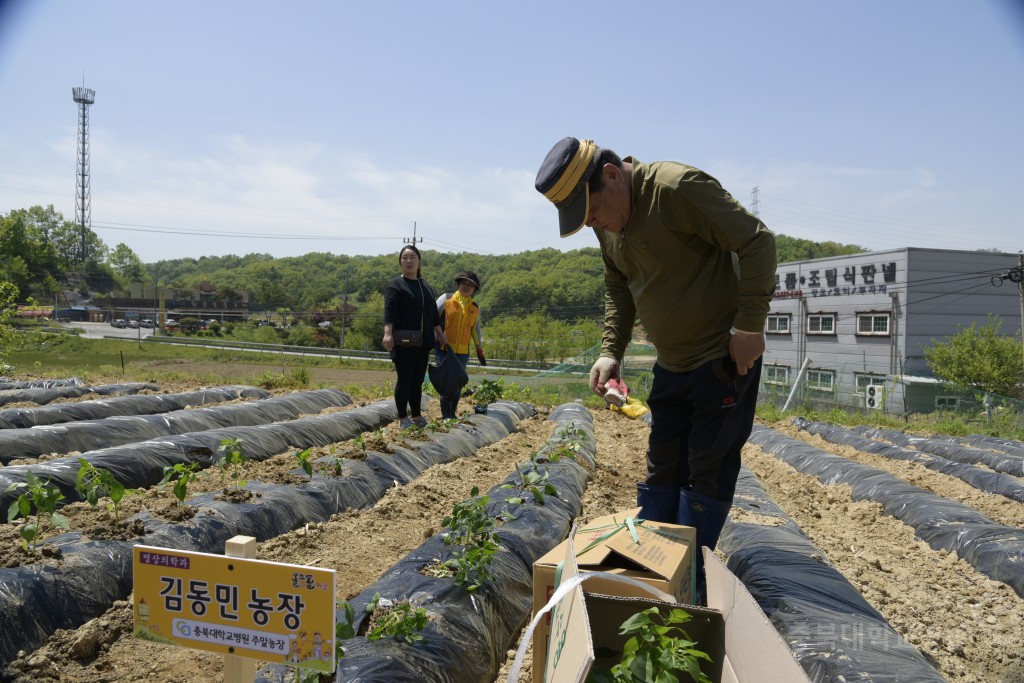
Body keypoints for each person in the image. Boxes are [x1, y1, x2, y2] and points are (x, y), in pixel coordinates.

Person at [535, 137, 777, 598]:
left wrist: (749, 325)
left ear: (610, 175)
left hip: (721, 360)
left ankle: (688, 579)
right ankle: (655, 569)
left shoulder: (675, 188)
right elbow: (618, 285)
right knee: (662, 465)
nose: (595, 224)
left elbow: (756, 240)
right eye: (585, 220)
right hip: (671, 363)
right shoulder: (605, 220)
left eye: (593, 212)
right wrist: (611, 350)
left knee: (707, 466)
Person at [382, 245, 447, 429]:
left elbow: (434, 315)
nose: (408, 261)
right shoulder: (396, 285)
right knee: (405, 379)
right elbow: (389, 312)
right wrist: (387, 333)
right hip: (404, 342)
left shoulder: (425, 286)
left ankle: (417, 416)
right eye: (405, 258)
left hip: (423, 343)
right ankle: (403, 418)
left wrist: (440, 335)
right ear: (401, 262)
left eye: (412, 257)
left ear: (419, 262)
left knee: (417, 381)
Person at [435, 271, 486, 419]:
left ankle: (452, 415)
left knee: (457, 384)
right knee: (445, 384)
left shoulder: (474, 307)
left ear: (474, 290)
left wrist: (479, 348)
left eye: (470, 285)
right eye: (464, 283)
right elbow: (433, 318)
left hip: (462, 353)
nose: (466, 287)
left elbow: (475, 329)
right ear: (459, 284)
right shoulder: (446, 299)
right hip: (444, 349)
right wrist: (438, 336)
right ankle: (446, 417)